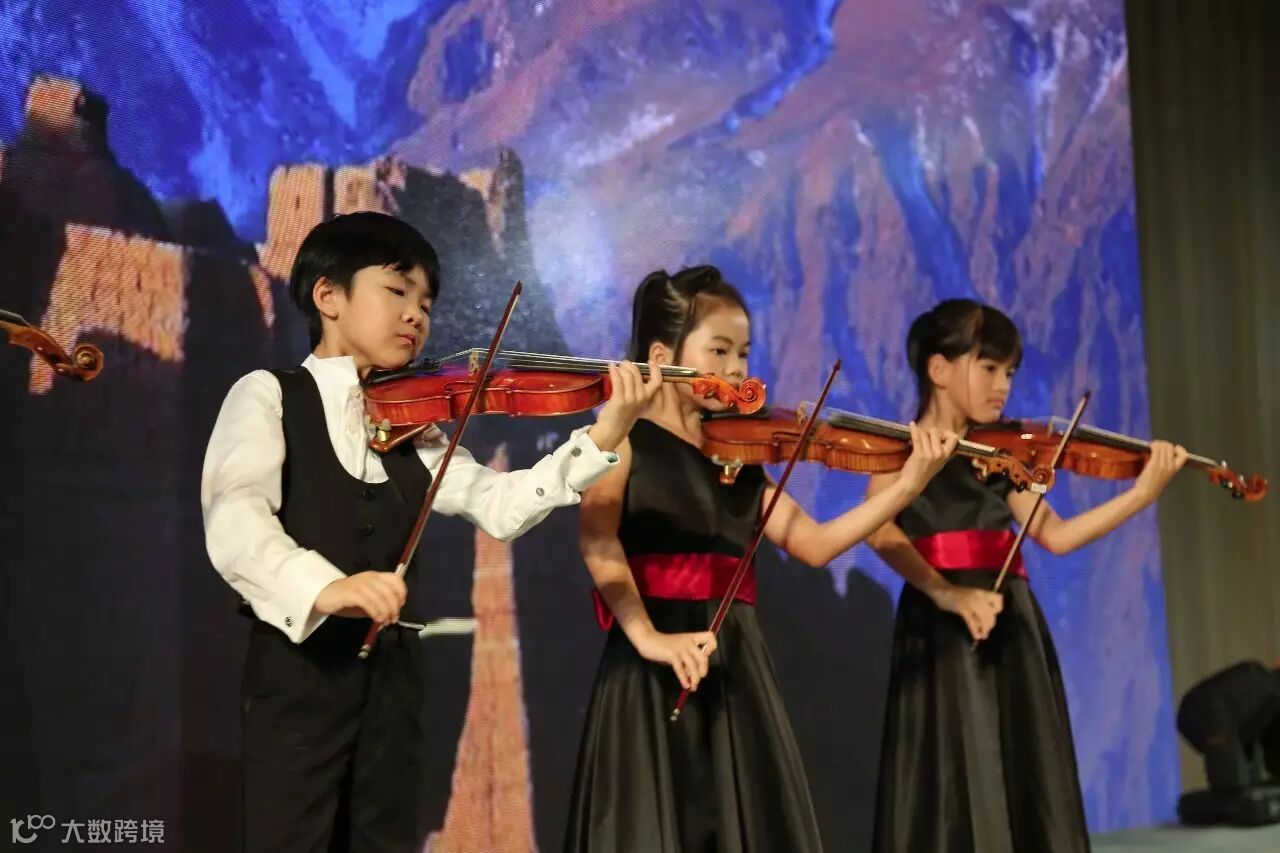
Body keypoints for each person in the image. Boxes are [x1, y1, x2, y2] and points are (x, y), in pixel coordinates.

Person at [200, 211, 662, 852]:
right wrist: (327, 587)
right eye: (397, 291)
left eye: (426, 303)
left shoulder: (416, 429)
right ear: (328, 296)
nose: (416, 315)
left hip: (393, 686)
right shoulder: (269, 395)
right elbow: (235, 520)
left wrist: (605, 433)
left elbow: (499, 506)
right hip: (300, 679)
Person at [564, 266, 958, 852]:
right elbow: (598, 540)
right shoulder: (620, 440)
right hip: (651, 658)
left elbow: (815, 544)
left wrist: (908, 484)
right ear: (661, 356)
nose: (736, 370)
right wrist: (647, 637)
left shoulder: (738, 455)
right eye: (719, 350)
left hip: (734, 662)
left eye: (744, 353)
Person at [868, 298, 1187, 853]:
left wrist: (1141, 495)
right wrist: (947, 593)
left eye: (1010, 372)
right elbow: (880, 532)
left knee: (1025, 774)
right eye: (989, 367)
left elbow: (1056, 536)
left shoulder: (1001, 455)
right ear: (938, 369)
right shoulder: (902, 451)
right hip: (940, 626)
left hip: (1011, 624)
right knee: (955, 778)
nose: (1003, 386)